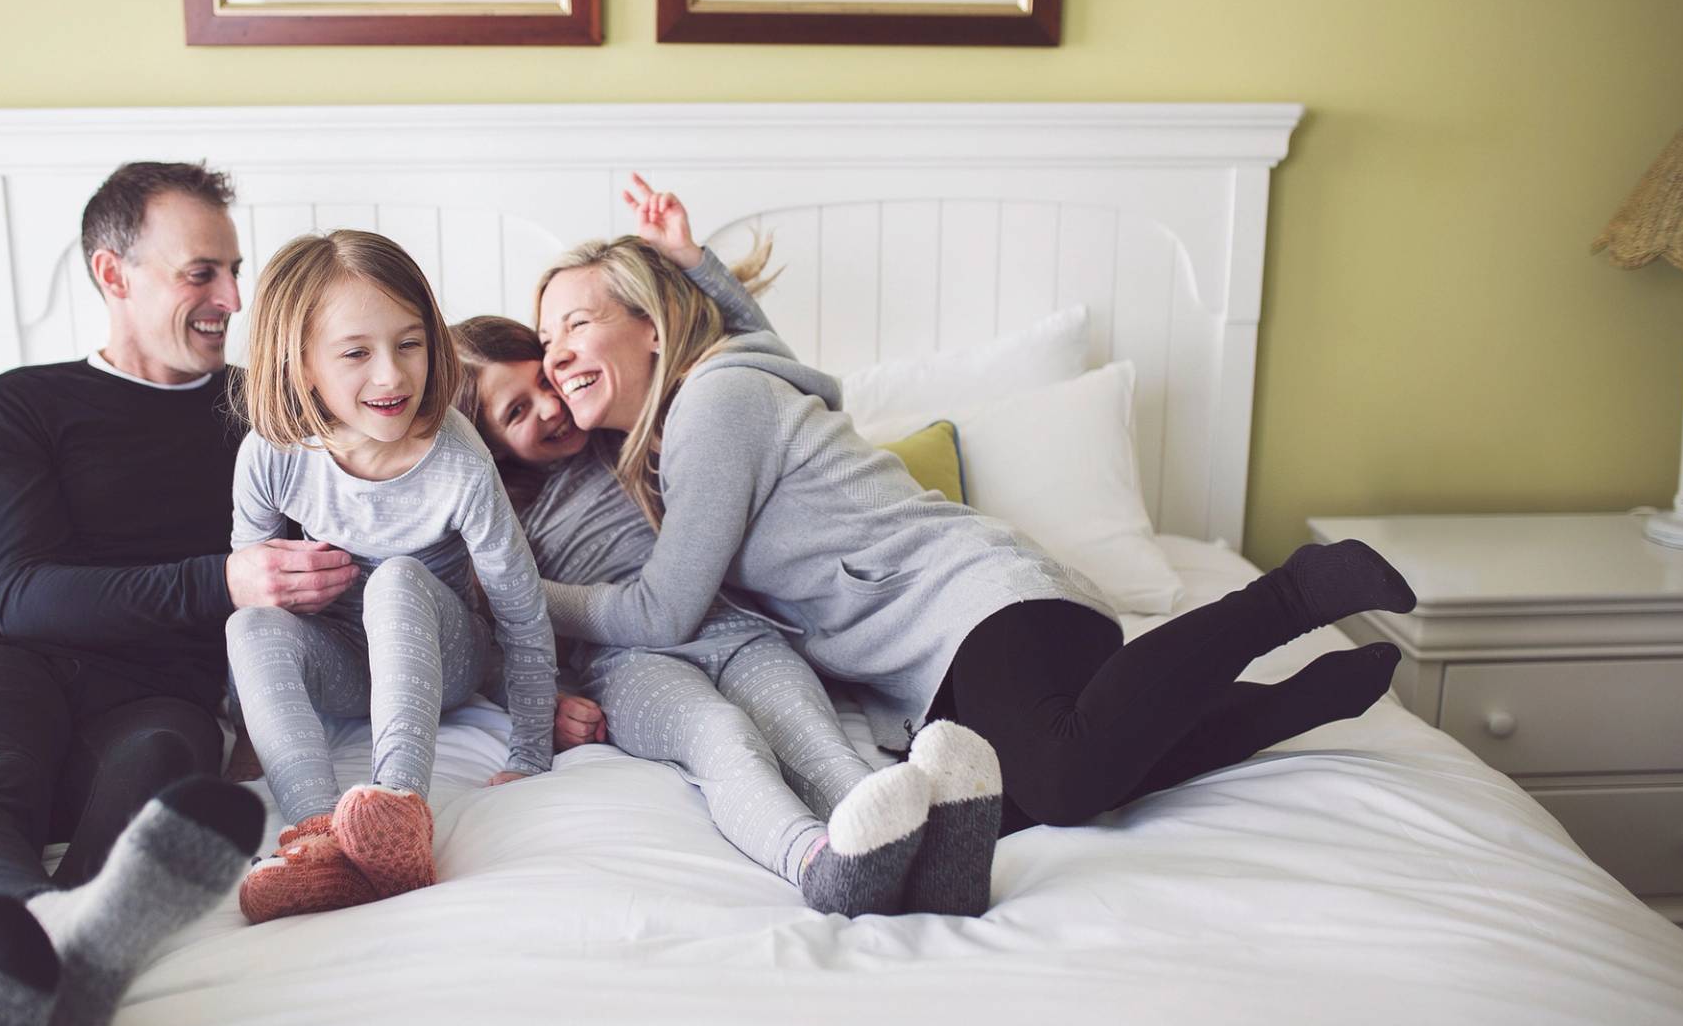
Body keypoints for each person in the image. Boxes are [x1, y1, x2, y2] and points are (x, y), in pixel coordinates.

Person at [530, 178, 1413, 884]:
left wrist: (524, 598)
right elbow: (761, 345)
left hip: (979, 602)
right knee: (1000, 808)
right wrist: (702, 264)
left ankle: (1292, 593)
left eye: (577, 322)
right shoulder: (728, 394)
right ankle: (1300, 701)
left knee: (1063, 781)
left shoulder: (715, 402)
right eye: (544, 339)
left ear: (652, 326)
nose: (556, 352)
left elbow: (664, 610)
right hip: (928, 656)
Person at [0, 162, 359, 1026]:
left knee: (169, 776)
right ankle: (35, 948)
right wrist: (225, 578)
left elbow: (399, 505)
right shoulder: (14, 407)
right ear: (114, 272)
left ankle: (33, 998)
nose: (232, 300)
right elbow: (21, 593)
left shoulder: (268, 417)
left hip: (158, 693)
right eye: (201, 274)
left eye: (235, 271)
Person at [449, 185, 997, 917]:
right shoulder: (498, 516)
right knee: (722, 737)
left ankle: (923, 859)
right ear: (486, 445)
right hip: (627, 662)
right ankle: (815, 860)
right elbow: (483, 626)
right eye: (517, 411)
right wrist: (539, 699)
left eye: (546, 377)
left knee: (813, 730)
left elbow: (753, 359)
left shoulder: (629, 430)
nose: (550, 404)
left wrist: (695, 264)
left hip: (735, 627)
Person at [226, 229, 559, 924]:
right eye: (356, 353)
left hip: (445, 655)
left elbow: (519, 611)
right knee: (249, 618)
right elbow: (259, 586)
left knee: (396, 579)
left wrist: (531, 747)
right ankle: (318, 841)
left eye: (410, 344)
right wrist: (244, 739)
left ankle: (398, 811)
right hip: (347, 667)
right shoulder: (273, 456)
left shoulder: (458, 459)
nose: (392, 376)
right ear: (303, 364)